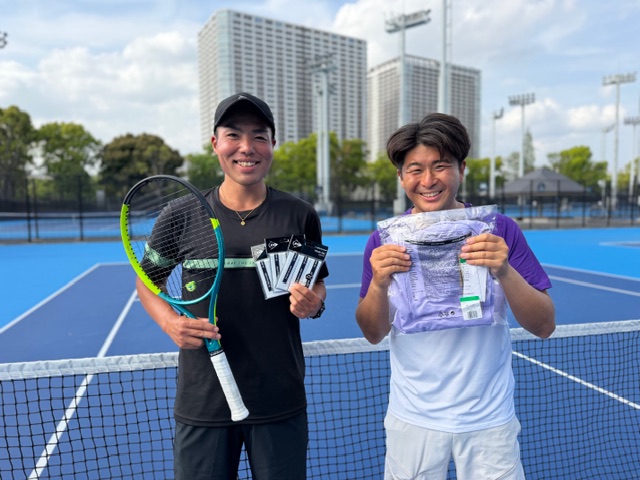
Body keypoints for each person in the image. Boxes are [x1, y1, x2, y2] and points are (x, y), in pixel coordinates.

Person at [137, 92, 328, 479]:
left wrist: (314, 304)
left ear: (273, 144)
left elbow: (316, 286)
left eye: (259, 136)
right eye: (233, 135)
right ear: (215, 143)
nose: (246, 147)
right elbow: (146, 282)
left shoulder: (299, 214)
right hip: (203, 400)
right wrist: (169, 322)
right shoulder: (181, 214)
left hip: (278, 396)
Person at [355, 113, 555, 480]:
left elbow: (544, 325)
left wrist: (504, 271)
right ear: (400, 177)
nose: (428, 180)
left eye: (440, 166)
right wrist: (379, 284)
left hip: (489, 419)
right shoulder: (385, 241)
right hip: (413, 418)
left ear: (461, 169)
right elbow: (372, 332)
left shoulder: (498, 231)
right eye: (415, 169)